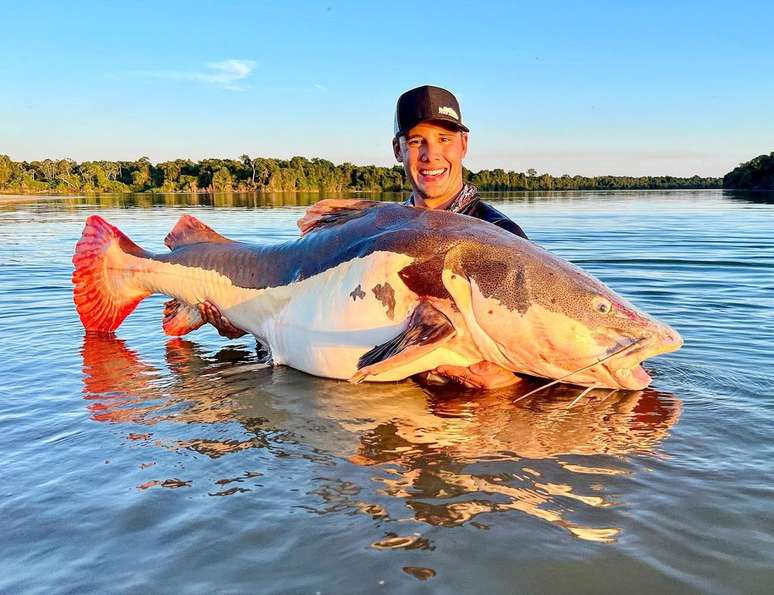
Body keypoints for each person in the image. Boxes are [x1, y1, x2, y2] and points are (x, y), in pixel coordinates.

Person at [196, 85, 526, 389]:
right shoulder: (375, 233)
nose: (430, 155)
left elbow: (539, 351)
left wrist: (512, 383)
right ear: (397, 150)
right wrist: (243, 321)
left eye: (444, 139)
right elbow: (301, 312)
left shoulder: (506, 239)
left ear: (464, 144)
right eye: (415, 142)